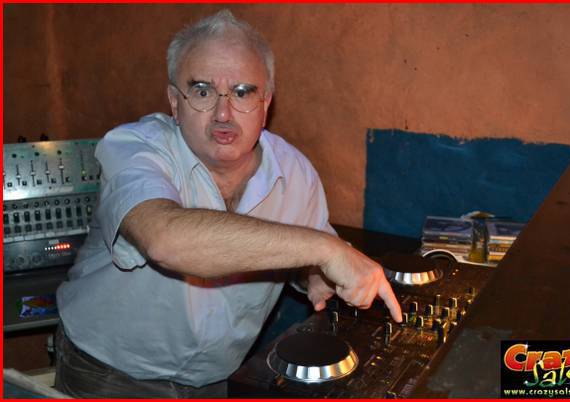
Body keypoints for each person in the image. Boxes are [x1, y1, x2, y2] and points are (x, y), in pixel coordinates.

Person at [55, 9, 402, 398]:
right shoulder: (133, 148)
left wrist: (313, 274)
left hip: (217, 381)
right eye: (203, 91)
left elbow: (302, 256)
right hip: (108, 374)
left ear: (266, 103)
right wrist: (325, 251)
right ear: (175, 102)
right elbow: (166, 240)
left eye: (242, 92)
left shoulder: (296, 173)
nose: (223, 113)